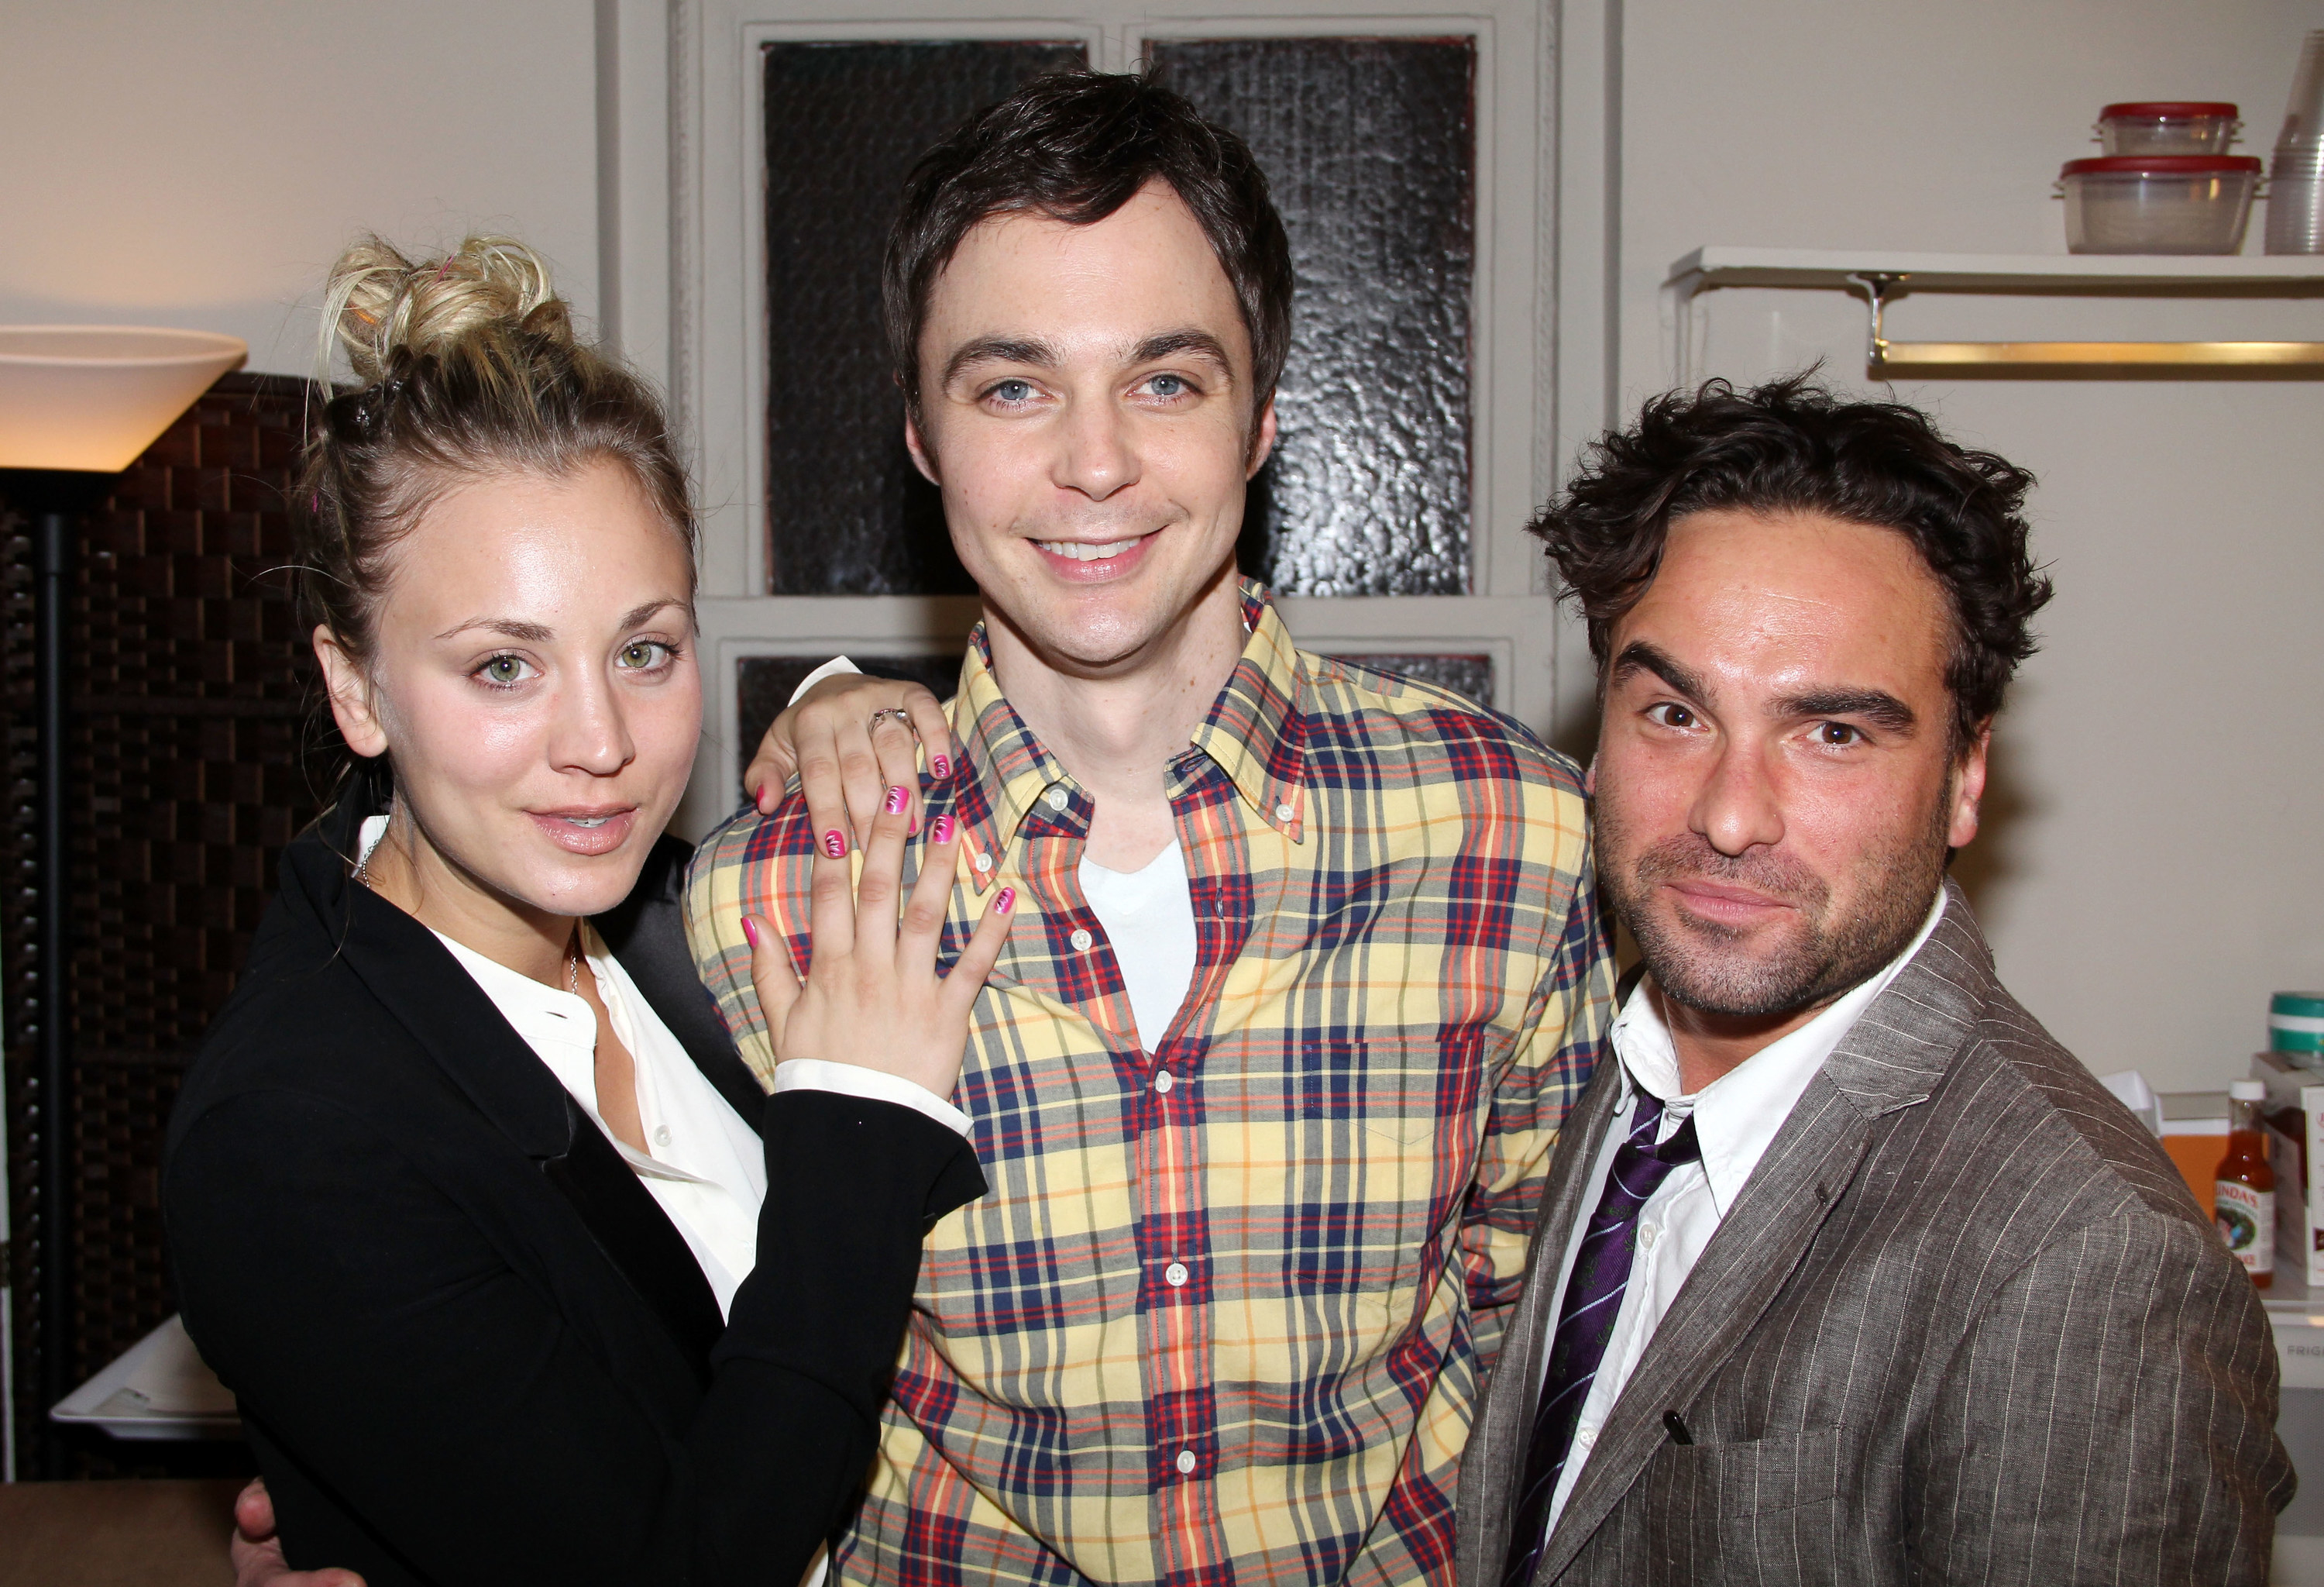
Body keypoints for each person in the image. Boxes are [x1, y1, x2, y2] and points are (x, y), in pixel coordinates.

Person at [683, 71, 1614, 1585]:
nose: (1096, 462)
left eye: (1166, 379)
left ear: (1260, 414)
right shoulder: (769, 901)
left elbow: (1556, 1350)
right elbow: (686, 1391)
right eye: (1012, 385)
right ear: (921, 434)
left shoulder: (1512, 840)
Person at [164, 236, 1011, 1587]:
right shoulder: (291, 1139)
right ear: (357, 687)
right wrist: (858, 1128)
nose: (602, 740)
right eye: (505, 665)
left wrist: (843, 705)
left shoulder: (664, 925)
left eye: (644, 649)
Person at [1452, 375, 2293, 1586]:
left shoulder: (2089, 1267)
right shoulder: (1596, 1067)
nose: (1731, 817)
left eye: (1834, 733)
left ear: (1964, 779)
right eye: (1675, 713)